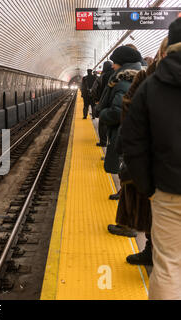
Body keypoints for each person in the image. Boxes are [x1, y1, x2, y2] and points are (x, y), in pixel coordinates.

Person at [121, 18, 181, 300]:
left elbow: (133, 140)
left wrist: (149, 187)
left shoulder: (150, 86)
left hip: (169, 190)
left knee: (168, 265)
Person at [110, 37, 169, 265]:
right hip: (150, 155)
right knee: (152, 207)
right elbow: (128, 108)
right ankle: (151, 250)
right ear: (162, 52)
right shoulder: (145, 77)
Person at [97, 45, 142, 202]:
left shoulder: (123, 82)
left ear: (122, 64)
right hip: (134, 132)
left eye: (115, 62)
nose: (113, 66)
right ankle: (124, 197)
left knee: (127, 170)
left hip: (127, 133)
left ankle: (129, 217)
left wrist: (102, 114)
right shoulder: (137, 76)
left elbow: (118, 111)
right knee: (129, 170)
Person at [92, 61, 114, 147]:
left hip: (103, 102)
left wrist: (97, 99)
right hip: (113, 102)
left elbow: (94, 89)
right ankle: (112, 142)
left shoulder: (102, 76)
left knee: (102, 122)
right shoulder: (116, 75)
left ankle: (103, 142)